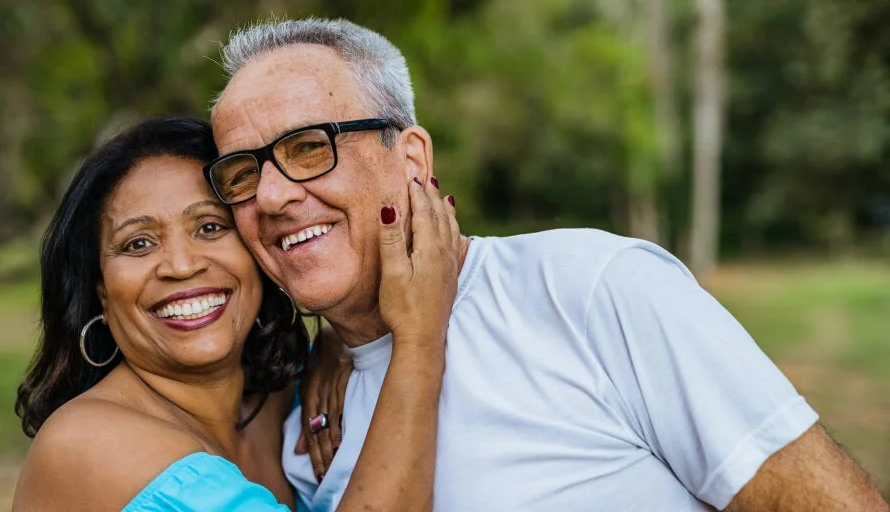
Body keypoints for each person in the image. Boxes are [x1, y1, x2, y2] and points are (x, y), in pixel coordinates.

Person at [207, 18, 890, 512]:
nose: (271, 197)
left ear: (411, 159)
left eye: (307, 149)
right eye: (241, 172)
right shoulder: (301, 415)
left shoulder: (589, 287)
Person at [12, 116, 462, 511]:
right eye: (138, 244)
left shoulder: (283, 398)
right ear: (102, 294)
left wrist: (342, 341)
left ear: (259, 249)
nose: (182, 265)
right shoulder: (88, 444)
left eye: (210, 227)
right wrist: (419, 338)